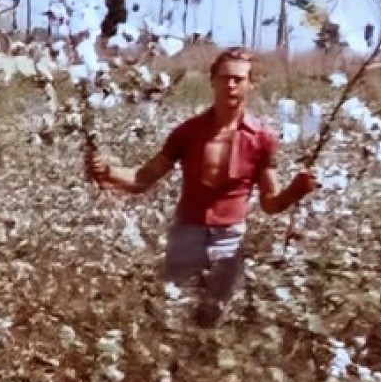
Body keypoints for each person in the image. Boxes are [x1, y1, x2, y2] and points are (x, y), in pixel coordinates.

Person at [85, 47, 319, 326]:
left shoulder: (262, 140)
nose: (231, 85)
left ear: (251, 83)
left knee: (215, 324)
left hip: (229, 240)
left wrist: (296, 190)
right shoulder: (188, 132)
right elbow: (142, 179)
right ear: (213, 81)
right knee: (173, 319)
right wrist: (108, 171)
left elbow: (270, 204)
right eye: (224, 78)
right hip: (186, 236)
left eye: (239, 79)